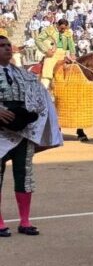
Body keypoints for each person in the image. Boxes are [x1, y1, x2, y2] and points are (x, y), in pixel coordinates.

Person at [0, 35, 61, 237]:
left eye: (8, 45)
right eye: (2, 46)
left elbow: (40, 96)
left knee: (24, 175)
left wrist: (30, 114)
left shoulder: (23, 74)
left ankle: (25, 221)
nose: (7, 49)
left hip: (21, 131)